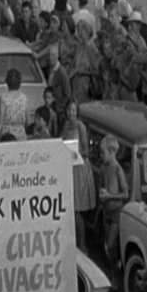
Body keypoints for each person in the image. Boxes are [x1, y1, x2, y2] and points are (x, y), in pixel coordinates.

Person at [62, 99, 96, 252]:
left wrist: (73, 152)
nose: (71, 113)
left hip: (80, 168)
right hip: (69, 167)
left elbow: (86, 151)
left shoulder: (81, 127)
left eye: (74, 110)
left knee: (77, 210)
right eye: (69, 110)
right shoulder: (65, 126)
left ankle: (82, 245)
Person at [98, 135, 129, 279]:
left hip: (116, 211)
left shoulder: (118, 169)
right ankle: (114, 267)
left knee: (110, 244)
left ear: (111, 152)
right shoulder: (103, 168)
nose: (101, 155)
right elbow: (102, 185)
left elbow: (125, 193)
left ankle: (115, 273)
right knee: (108, 245)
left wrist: (109, 195)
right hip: (106, 211)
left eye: (103, 153)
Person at [0, 68, 30, 140]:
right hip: (21, 135)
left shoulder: (3, 98)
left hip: (7, 136)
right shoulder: (24, 98)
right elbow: (27, 121)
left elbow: (0, 122)